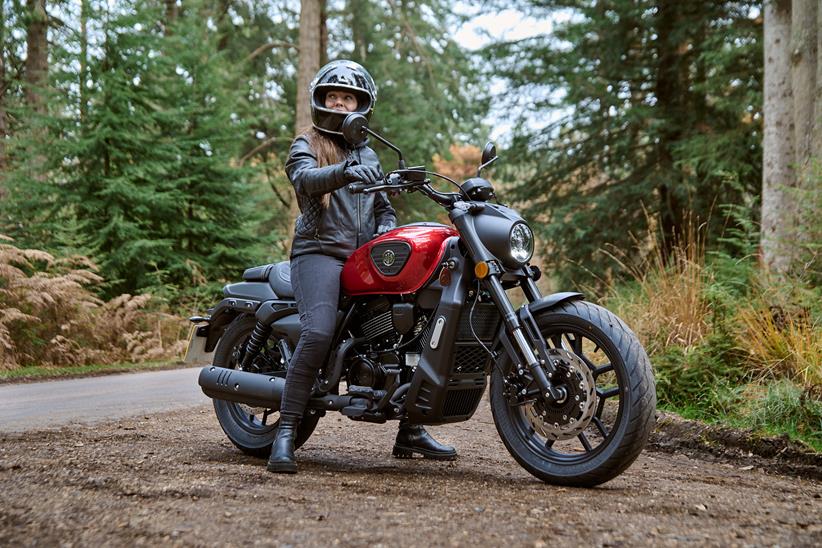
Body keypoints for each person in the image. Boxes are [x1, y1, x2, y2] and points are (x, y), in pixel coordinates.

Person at [267, 60, 457, 474]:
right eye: (333, 96)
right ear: (321, 101)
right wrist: (344, 171)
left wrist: (384, 233)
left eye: (348, 97)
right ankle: (285, 432)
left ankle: (410, 432)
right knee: (317, 333)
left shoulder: (368, 151)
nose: (340, 103)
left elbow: (383, 206)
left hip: (363, 259)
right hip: (318, 253)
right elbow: (305, 181)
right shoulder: (307, 145)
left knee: (415, 331)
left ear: (361, 106)